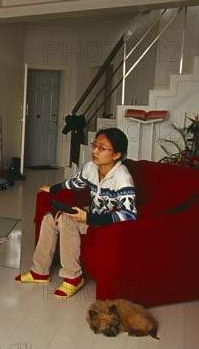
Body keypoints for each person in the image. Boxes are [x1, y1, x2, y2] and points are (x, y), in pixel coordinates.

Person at [15, 128, 137, 298]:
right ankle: (40, 272)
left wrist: (88, 217)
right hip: (92, 214)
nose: (94, 150)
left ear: (116, 155)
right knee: (50, 218)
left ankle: (73, 277)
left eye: (102, 148)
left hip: (108, 226)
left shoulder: (122, 178)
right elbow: (75, 183)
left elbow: (130, 215)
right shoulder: (91, 167)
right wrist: (54, 189)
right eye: (95, 145)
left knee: (67, 220)